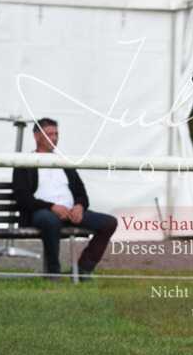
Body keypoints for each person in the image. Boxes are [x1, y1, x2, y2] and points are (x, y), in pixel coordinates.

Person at [12, 118, 117, 279]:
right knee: (51, 221)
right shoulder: (25, 163)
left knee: (109, 222)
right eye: (49, 134)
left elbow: (81, 193)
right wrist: (51, 207)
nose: (54, 138)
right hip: (42, 213)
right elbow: (22, 196)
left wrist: (80, 206)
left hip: (70, 213)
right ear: (37, 136)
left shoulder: (64, 162)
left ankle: (83, 269)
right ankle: (53, 272)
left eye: (56, 134)